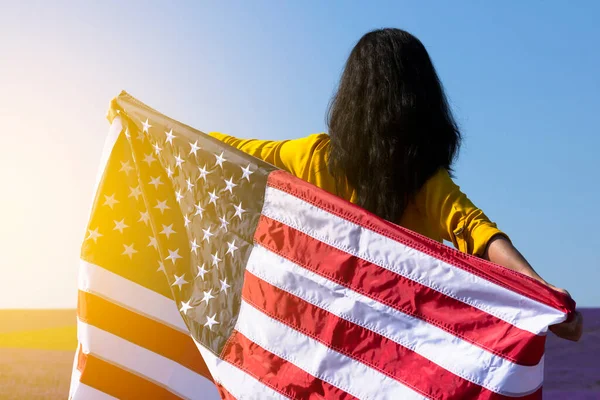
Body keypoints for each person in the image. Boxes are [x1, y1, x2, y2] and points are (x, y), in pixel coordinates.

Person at [209, 28, 582, 341]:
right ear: (421, 102)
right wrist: (539, 289)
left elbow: (226, 151)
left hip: (317, 343)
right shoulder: (422, 181)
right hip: (392, 354)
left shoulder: (311, 157)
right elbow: (476, 232)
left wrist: (153, 131)